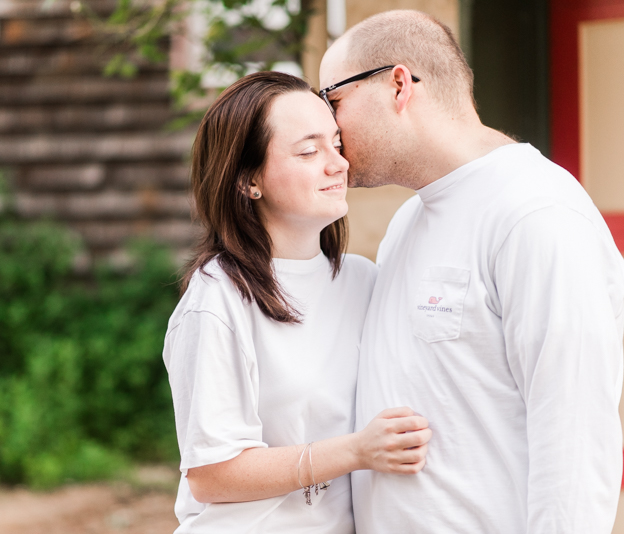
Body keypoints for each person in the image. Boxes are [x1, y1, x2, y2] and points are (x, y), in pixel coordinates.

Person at [319, 10, 624, 534]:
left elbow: (575, 437)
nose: (328, 126)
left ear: (399, 84)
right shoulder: (408, 221)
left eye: (333, 100)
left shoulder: (536, 214)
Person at [162, 71, 432, 534]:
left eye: (336, 143)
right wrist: (356, 451)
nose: (337, 164)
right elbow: (211, 474)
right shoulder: (218, 298)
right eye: (308, 151)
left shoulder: (363, 280)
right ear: (249, 181)